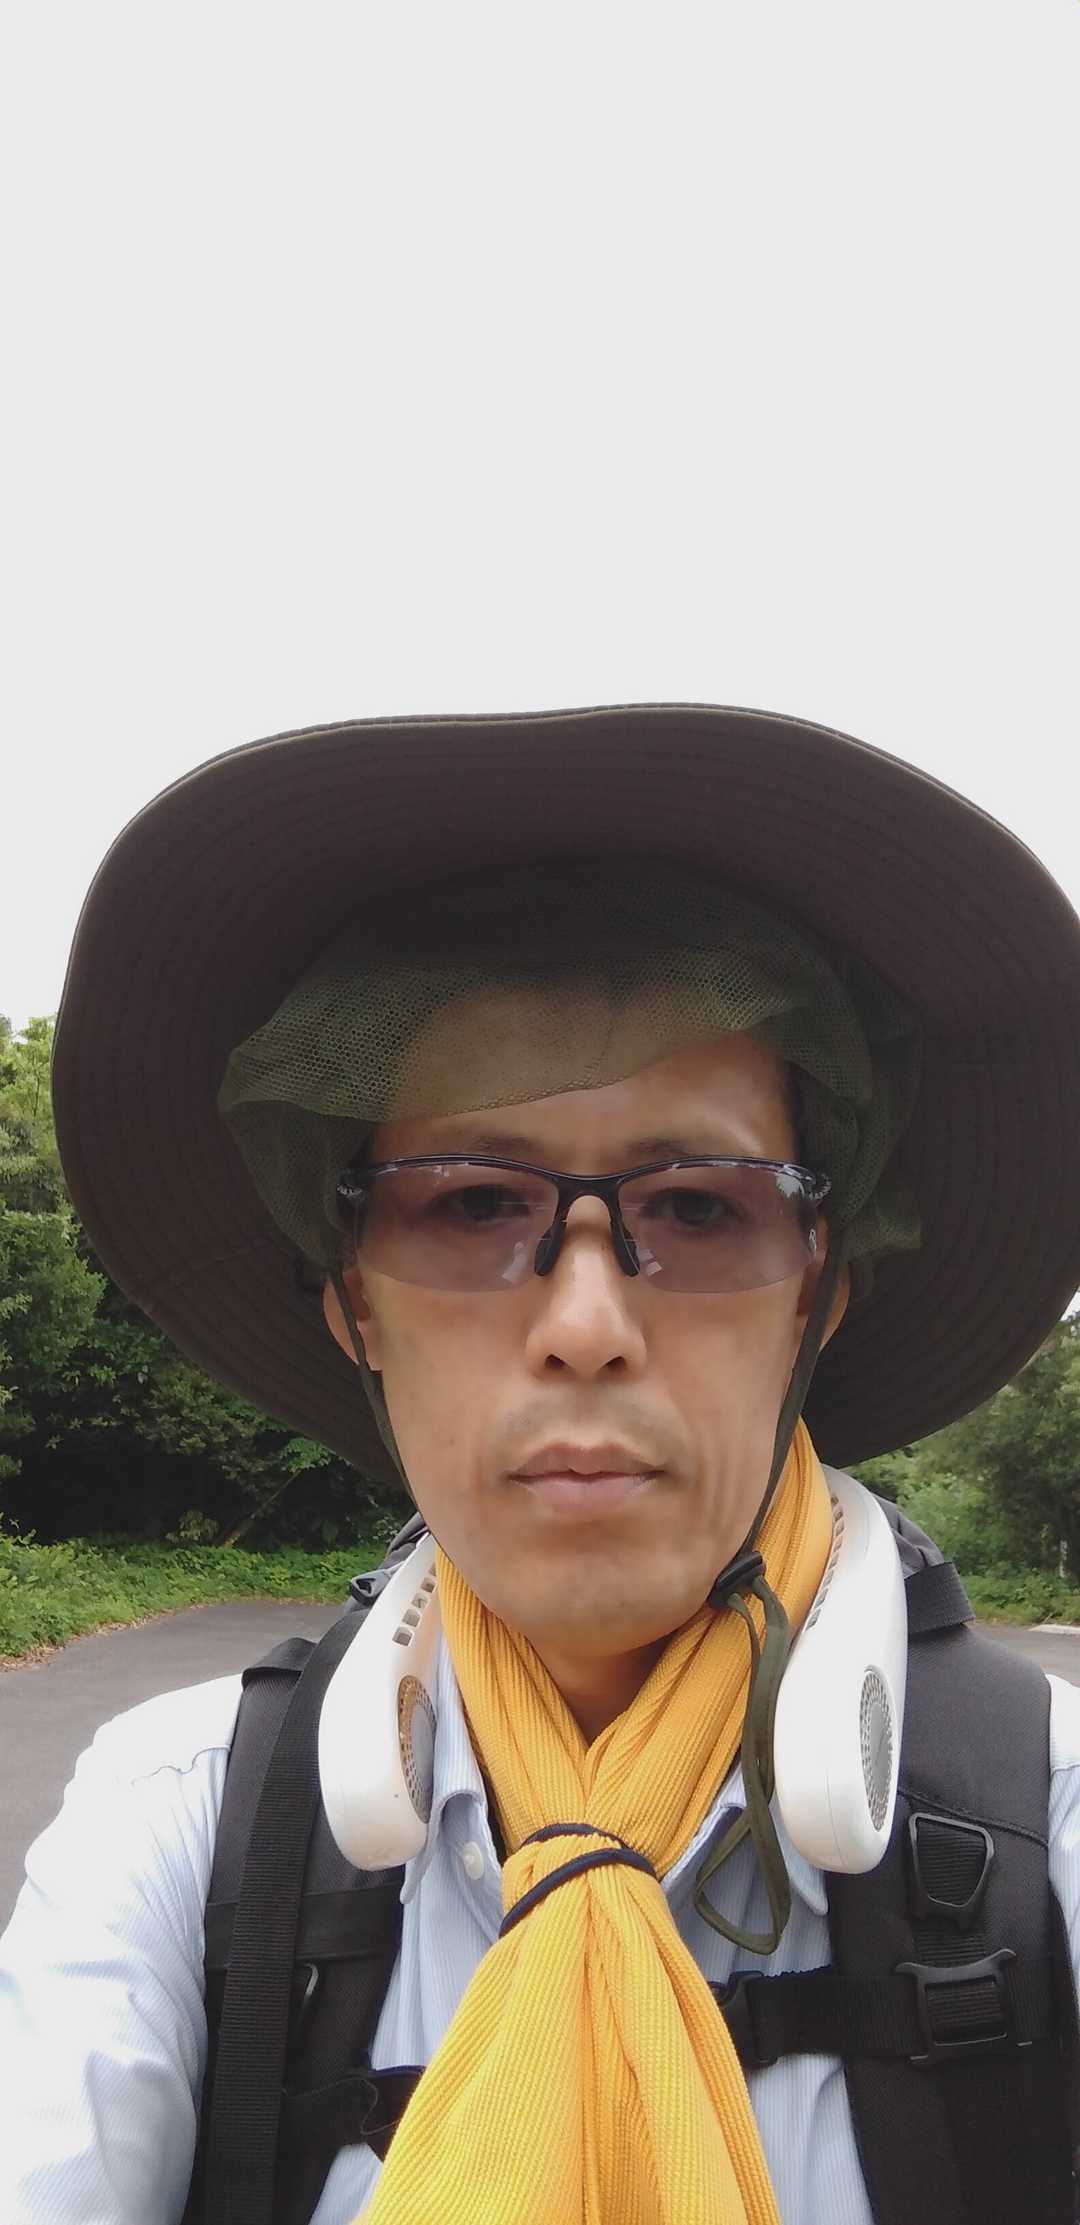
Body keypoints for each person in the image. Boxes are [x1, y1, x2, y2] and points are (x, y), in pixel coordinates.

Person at [3, 701, 1080, 2224]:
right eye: (468, 1203)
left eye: (699, 1205)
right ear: (355, 1306)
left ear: (818, 1293)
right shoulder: (180, 1833)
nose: (585, 1325)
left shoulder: (1049, 1824)